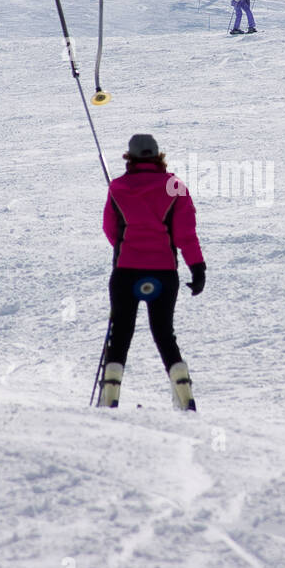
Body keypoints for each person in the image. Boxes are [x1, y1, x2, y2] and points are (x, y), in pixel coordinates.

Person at [98, 134, 204, 411]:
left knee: (121, 333)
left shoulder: (118, 187)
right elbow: (185, 234)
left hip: (126, 272)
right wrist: (197, 267)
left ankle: (110, 395)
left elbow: (110, 229)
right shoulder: (175, 186)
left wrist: (126, 247)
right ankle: (183, 394)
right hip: (164, 274)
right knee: (164, 333)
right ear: (158, 156)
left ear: (129, 157)